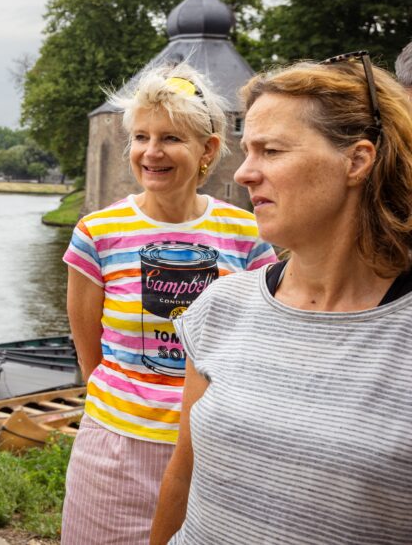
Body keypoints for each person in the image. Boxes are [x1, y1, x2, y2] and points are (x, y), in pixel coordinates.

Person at [152, 54, 412, 544]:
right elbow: (182, 478)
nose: (244, 174)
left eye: (270, 151)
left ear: (357, 160)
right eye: (246, 151)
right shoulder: (219, 306)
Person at [61, 64, 276, 544]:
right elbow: (89, 354)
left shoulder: (248, 235)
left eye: (171, 138)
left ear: (208, 150)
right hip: (116, 451)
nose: (151, 152)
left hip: (213, 450)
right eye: (141, 137)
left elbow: (257, 342)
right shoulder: (98, 232)